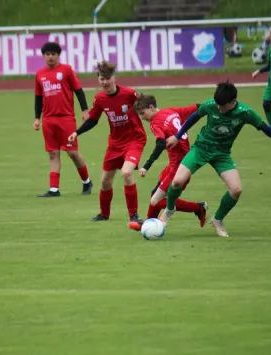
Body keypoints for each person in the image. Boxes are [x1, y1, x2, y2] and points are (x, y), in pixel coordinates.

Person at [159, 81, 271, 237]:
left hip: (222, 154)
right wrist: (177, 136)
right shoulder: (211, 105)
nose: (218, 108)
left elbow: (267, 129)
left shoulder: (245, 113)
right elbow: (194, 117)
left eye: (222, 106)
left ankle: (217, 220)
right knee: (177, 182)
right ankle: (169, 210)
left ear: (232, 102)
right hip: (201, 149)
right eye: (217, 104)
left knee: (236, 190)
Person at [68, 61, 146, 223]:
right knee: (105, 181)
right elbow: (93, 120)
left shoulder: (130, 94)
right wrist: (77, 132)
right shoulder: (100, 99)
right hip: (115, 143)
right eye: (101, 79)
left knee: (126, 172)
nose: (104, 82)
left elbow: (147, 106)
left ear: (114, 78)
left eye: (107, 78)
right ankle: (104, 214)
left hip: (134, 140)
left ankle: (134, 214)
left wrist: (159, 122)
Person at [128, 93, 208, 231]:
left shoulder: (155, 123)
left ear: (152, 107)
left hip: (179, 168)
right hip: (179, 164)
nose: (142, 118)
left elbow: (160, 144)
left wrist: (146, 166)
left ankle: (198, 208)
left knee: (156, 201)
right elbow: (198, 107)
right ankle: (147, 224)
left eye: (143, 113)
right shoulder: (172, 111)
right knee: (156, 195)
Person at [33, 42, 92, 197]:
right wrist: (37, 118)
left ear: (58, 55)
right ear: (43, 56)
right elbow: (38, 97)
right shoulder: (40, 74)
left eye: (53, 54)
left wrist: (85, 110)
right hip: (48, 119)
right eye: (48, 54)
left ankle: (86, 181)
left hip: (66, 118)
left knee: (72, 153)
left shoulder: (66, 70)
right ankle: (54, 189)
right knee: (53, 153)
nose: (50, 57)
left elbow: (78, 90)